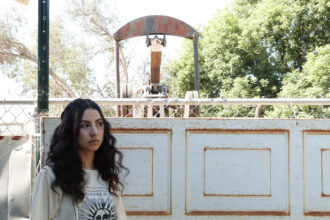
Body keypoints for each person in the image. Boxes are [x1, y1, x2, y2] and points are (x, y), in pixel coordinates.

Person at [31, 98, 128, 220]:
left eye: (99, 124)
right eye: (85, 125)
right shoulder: (51, 176)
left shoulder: (108, 176)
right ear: (70, 131)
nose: (94, 132)